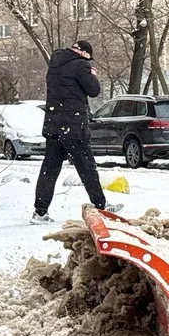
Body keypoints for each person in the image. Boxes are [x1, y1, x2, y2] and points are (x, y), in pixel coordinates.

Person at [31, 40, 122, 224]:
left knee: (49, 169)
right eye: (90, 57)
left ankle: (40, 211)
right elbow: (94, 90)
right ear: (85, 53)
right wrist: (92, 75)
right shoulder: (81, 65)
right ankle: (101, 205)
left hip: (54, 124)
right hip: (73, 125)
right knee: (86, 166)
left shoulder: (54, 64)